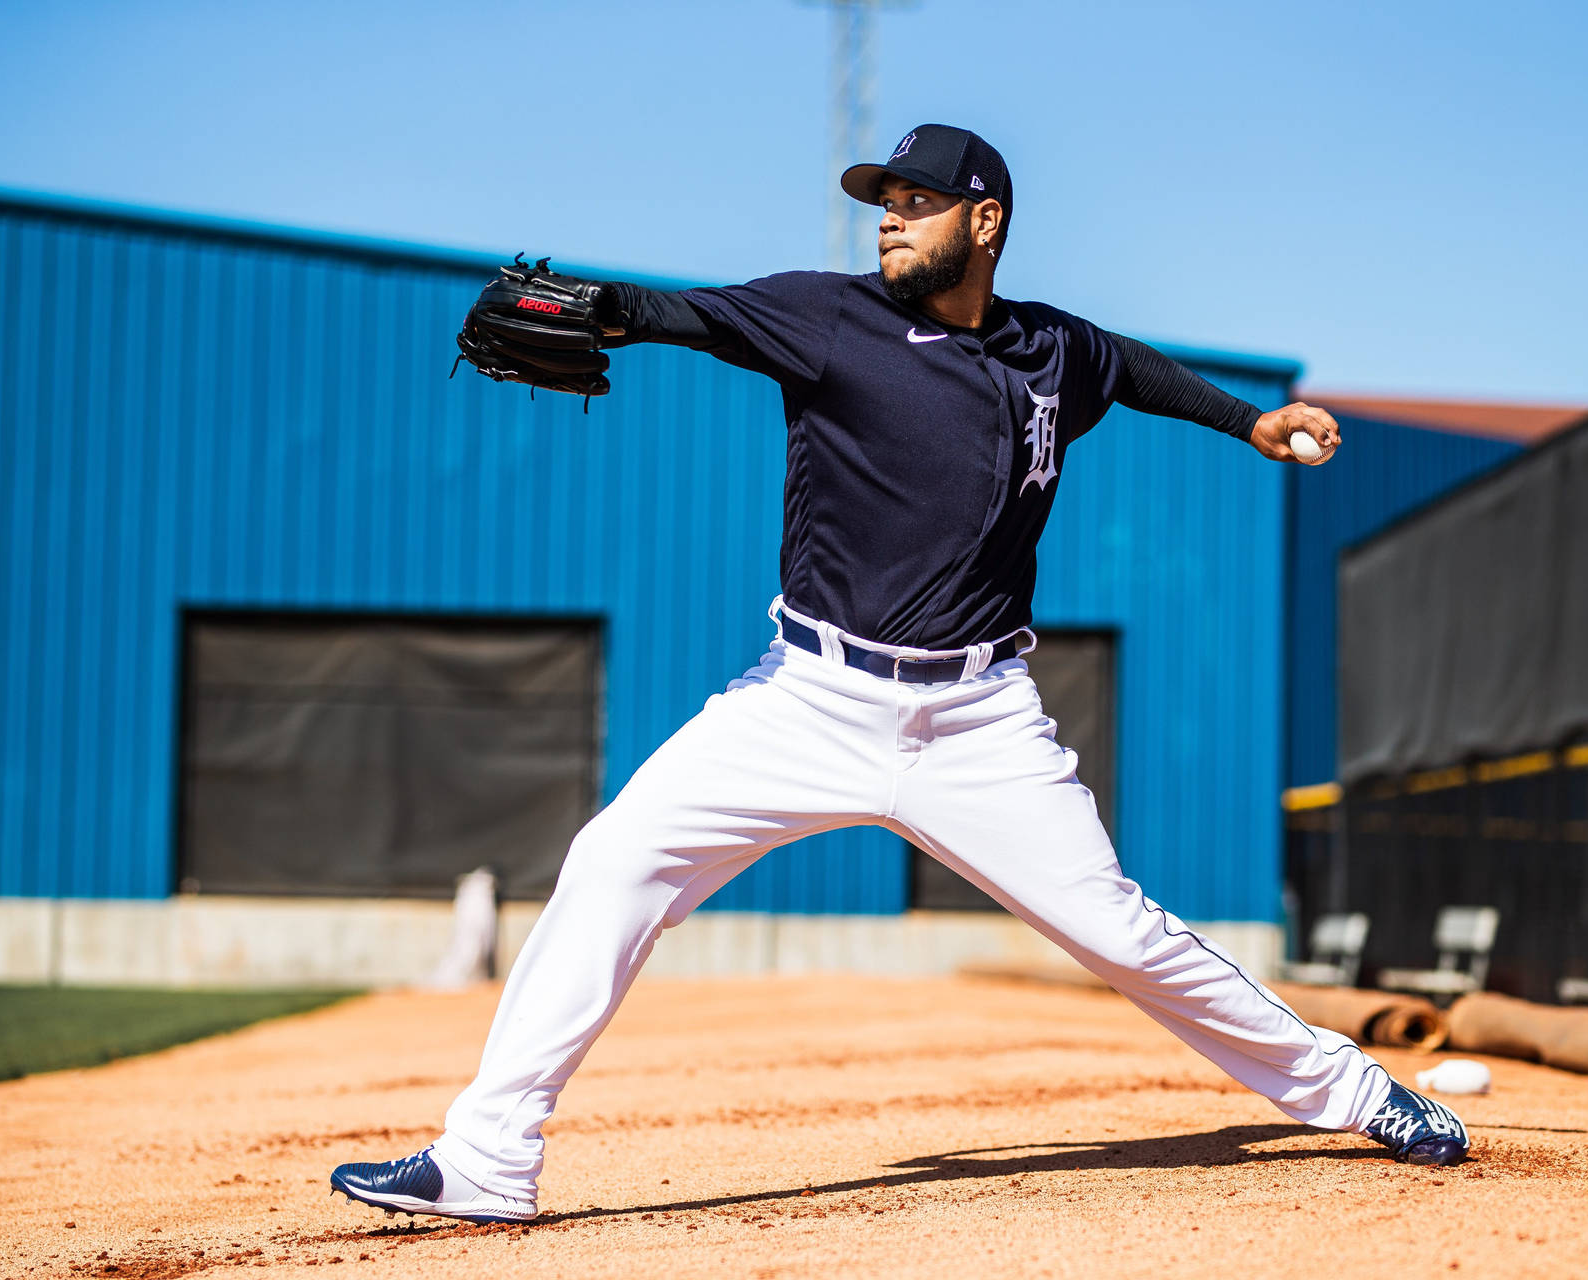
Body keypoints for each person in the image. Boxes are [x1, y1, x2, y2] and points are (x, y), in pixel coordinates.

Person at [329, 124, 1468, 1225]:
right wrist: (606, 310)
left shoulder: (1051, 349)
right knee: (615, 859)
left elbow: (1130, 370)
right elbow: (686, 315)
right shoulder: (828, 317)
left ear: (985, 220)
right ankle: (488, 1153)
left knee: (1121, 931)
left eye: (915, 202)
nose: (889, 220)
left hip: (981, 719)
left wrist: (1251, 423)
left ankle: (1356, 1091)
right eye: (884, 202)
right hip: (808, 697)